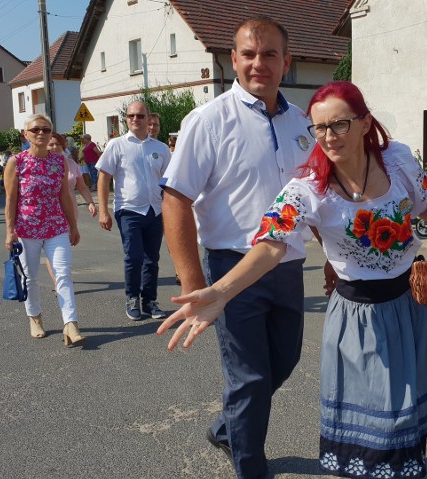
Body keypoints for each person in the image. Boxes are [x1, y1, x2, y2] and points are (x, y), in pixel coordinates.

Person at [160, 80, 427, 478]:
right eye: (319, 128)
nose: (328, 137)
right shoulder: (307, 188)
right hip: (359, 319)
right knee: (378, 420)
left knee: (406, 407)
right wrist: (221, 291)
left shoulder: (397, 160)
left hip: (410, 305)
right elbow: (271, 246)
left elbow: (426, 203)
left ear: (363, 123)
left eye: (339, 124)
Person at [159, 17, 316, 478]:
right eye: (249, 54)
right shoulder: (208, 121)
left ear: (286, 62)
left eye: (269, 54)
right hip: (231, 269)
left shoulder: (302, 122)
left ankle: (228, 429)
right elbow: (175, 199)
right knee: (249, 379)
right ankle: (250, 465)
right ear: (233, 60)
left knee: (283, 363)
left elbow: (316, 196)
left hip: (288, 265)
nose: (258, 63)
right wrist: (194, 284)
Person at [3, 114, 86, 347]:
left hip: (56, 226)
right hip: (26, 228)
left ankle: (71, 324)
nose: (41, 133)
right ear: (26, 134)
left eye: (46, 130)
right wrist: (10, 230)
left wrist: (73, 226)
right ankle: (35, 316)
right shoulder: (16, 162)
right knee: (30, 277)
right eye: (36, 129)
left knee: (63, 274)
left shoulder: (59, 161)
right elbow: (11, 199)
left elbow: (64, 196)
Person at [96, 100, 170, 321]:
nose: (135, 120)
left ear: (149, 119)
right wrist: (103, 210)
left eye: (140, 116)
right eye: (130, 116)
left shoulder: (160, 148)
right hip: (129, 209)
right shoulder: (116, 145)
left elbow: (169, 180)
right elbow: (103, 177)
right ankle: (132, 298)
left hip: (155, 210)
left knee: (152, 258)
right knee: (134, 256)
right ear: (126, 119)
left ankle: (149, 300)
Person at [44, 133, 97, 287]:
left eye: (58, 145)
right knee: (53, 246)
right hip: (50, 211)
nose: (54, 148)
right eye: (51, 144)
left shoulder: (71, 164)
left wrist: (90, 203)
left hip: (70, 209)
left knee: (64, 245)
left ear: (63, 146)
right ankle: (58, 282)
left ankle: (61, 277)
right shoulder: (42, 164)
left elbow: (81, 186)